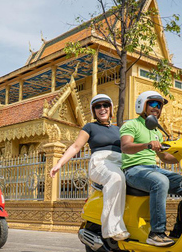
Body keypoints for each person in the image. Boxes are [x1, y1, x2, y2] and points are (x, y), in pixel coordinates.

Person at [50, 94, 129, 241]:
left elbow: (129, 148)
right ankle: (111, 229)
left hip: (120, 162)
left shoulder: (119, 129)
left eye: (105, 105)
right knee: (116, 177)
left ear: (111, 108)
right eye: (97, 106)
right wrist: (59, 164)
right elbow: (75, 146)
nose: (102, 108)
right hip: (101, 163)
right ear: (94, 111)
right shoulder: (90, 127)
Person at [120, 90, 182, 247]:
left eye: (160, 106)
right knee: (160, 181)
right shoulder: (131, 125)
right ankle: (156, 233)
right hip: (134, 170)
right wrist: (146, 145)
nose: (157, 108)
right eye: (153, 104)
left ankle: (179, 231)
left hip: (153, 169)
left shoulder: (157, 131)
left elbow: (165, 157)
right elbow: (125, 146)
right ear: (142, 105)